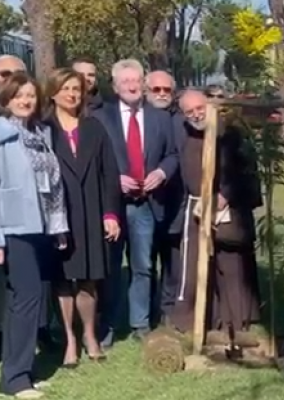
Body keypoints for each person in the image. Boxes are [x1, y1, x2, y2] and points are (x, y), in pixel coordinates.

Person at [0, 71, 68, 399]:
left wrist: (57, 227)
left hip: (39, 227)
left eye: (30, 95)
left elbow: (50, 185)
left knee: (23, 301)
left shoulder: (40, 133)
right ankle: (15, 379)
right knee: (26, 300)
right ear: (5, 99)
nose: (26, 101)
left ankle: (18, 373)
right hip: (13, 230)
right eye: (19, 95)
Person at [93, 59, 178, 346]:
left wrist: (162, 172)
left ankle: (139, 323)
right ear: (115, 86)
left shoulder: (160, 118)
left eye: (136, 80)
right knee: (111, 267)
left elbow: (173, 154)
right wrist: (114, 178)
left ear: (143, 83)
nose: (131, 86)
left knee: (143, 265)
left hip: (146, 204)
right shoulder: (100, 117)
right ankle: (107, 326)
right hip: (113, 206)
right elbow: (93, 160)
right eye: (125, 81)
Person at [170, 90, 262, 345]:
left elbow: (243, 170)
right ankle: (197, 323)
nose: (196, 114)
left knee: (231, 267)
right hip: (198, 209)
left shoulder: (230, 134)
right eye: (190, 112)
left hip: (228, 207)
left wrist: (224, 195)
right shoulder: (186, 135)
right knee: (195, 269)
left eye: (200, 108)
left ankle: (238, 324)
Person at [44, 68, 121, 367]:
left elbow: (110, 173)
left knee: (88, 279)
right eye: (65, 89)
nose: (72, 94)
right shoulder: (43, 130)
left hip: (90, 211)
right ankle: (69, 340)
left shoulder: (94, 128)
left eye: (77, 89)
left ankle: (90, 335)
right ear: (52, 92)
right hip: (59, 216)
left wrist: (110, 213)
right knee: (63, 280)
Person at [144, 70, 186, 324]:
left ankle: (170, 309)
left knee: (174, 260)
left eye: (166, 90)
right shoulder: (139, 117)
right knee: (144, 261)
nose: (161, 94)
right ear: (147, 90)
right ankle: (147, 310)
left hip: (176, 199)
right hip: (144, 201)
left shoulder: (183, 120)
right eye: (156, 89)